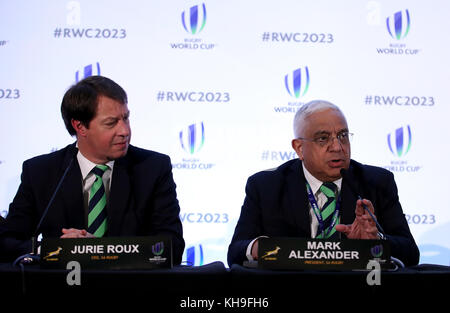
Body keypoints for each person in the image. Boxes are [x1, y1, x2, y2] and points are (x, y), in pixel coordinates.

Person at [0, 76, 185, 264]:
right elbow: (6, 243)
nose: (124, 131)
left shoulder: (152, 168)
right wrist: (50, 249)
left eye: (126, 118)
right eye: (111, 123)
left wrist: (97, 250)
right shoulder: (41, 172)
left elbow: (172, 247)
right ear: (80, 126)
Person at [227, 100, 419, 267]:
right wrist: (259, 247)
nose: (337, 147)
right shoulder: (266, 186)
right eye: (323, 138)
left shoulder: (376, 182)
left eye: (343, 135)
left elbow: (411, 253)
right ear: (299, 148)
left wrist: (376, 241)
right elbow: (236, 252)